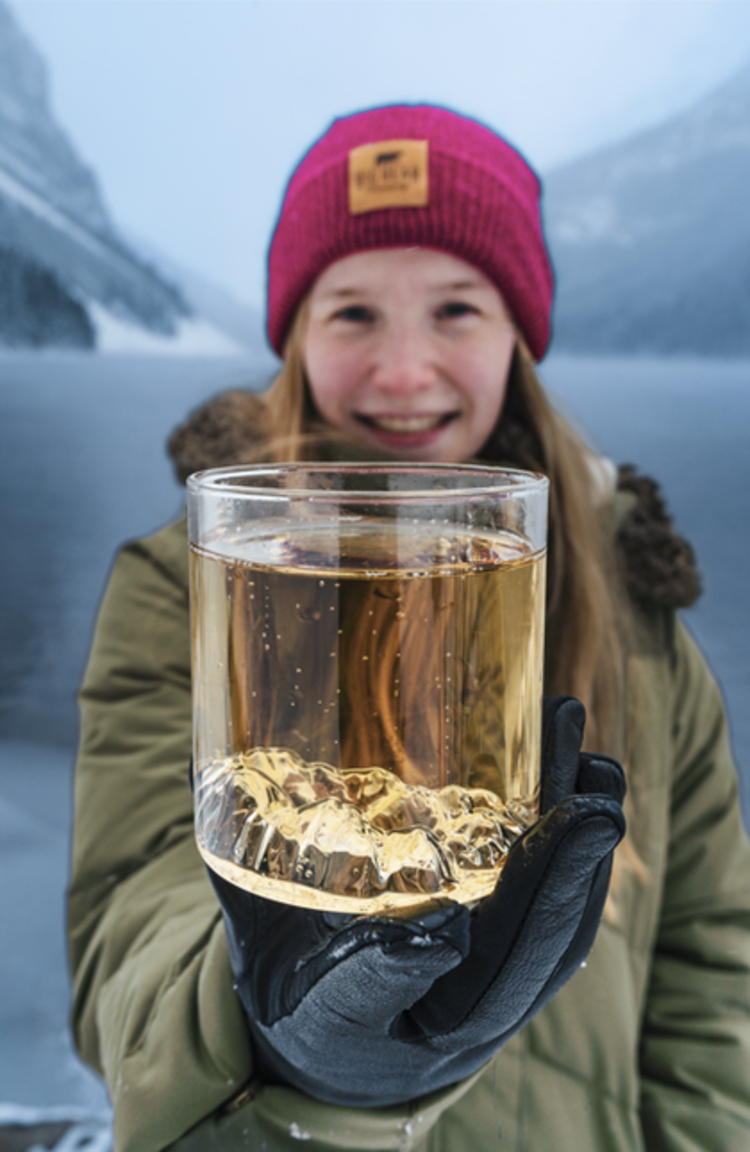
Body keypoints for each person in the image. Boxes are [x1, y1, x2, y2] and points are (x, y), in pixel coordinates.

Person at [68, 105, 750, 1152]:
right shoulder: (190, 587)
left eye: (456, 310)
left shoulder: (638, 617)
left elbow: (713, 979)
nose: (401, 372)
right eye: (351, 314)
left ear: (519, 333)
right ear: (294, 336)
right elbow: (129, 926)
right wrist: (285, 1039)